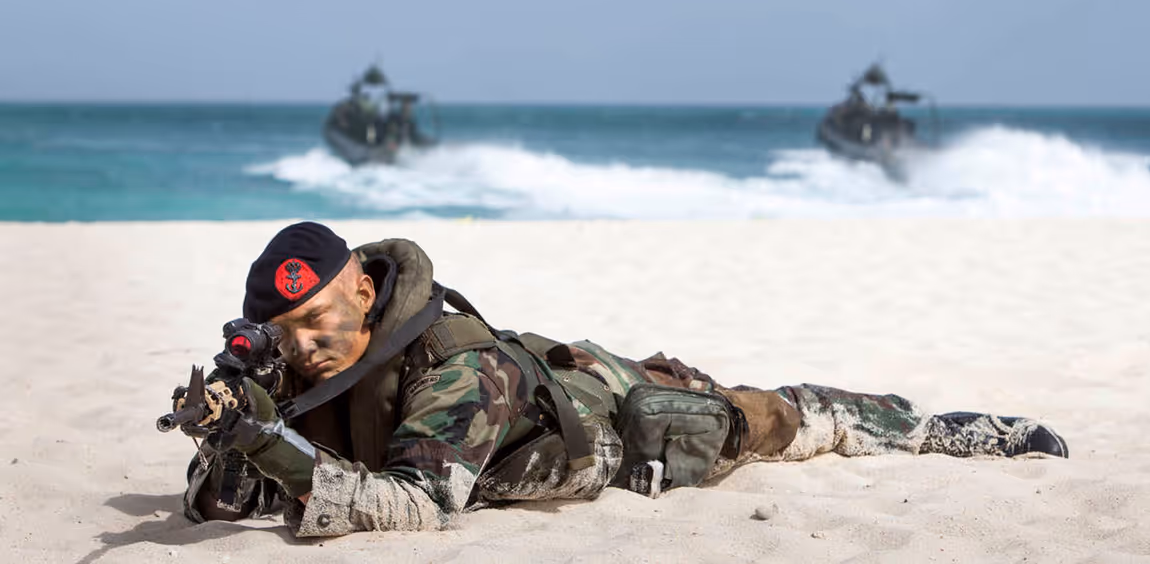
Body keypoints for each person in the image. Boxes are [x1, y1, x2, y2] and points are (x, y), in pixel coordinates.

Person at [179, 222, 1068, 537]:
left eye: (320, 318)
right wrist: (229, 432)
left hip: (601, 411)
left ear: (364, 291)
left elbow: (415, 506)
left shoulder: (456, 365)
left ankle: (920, 426)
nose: (307, 345)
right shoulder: (299, 368)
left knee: (748, 419)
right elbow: (225, 500)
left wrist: (264, 441)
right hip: (530, 408)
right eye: (286, 333)